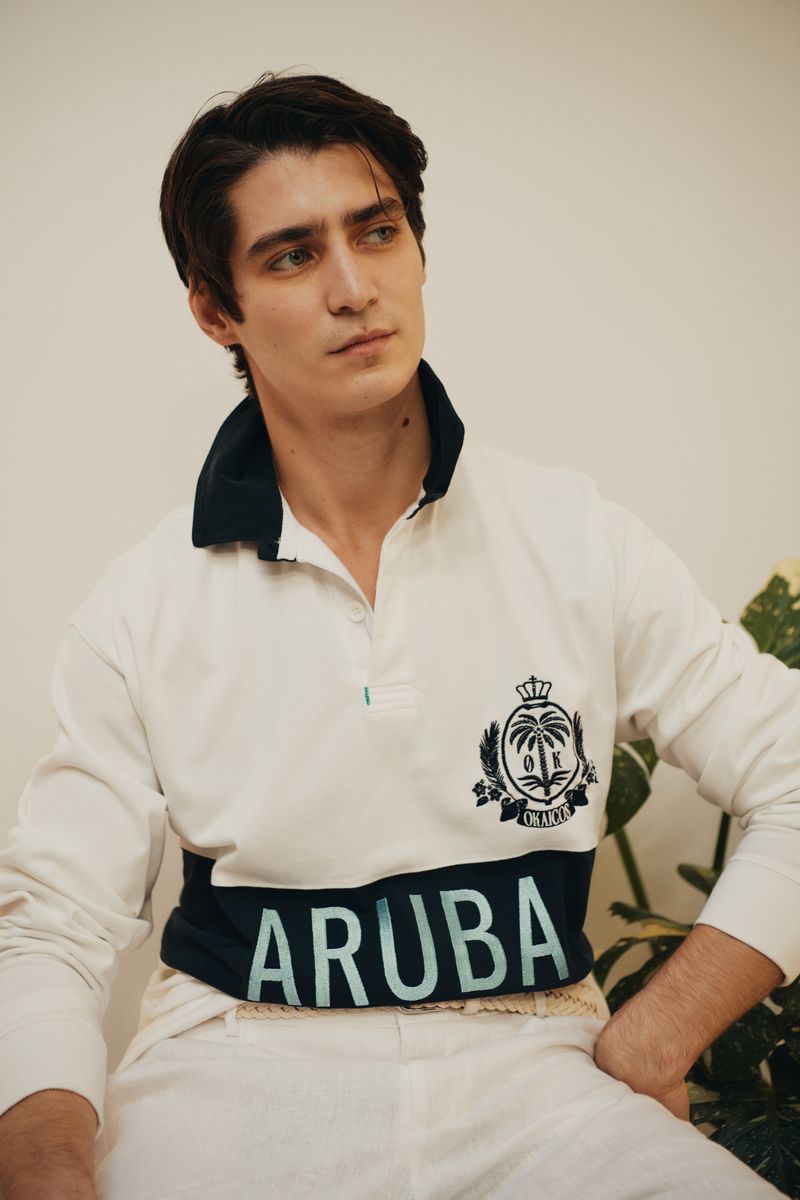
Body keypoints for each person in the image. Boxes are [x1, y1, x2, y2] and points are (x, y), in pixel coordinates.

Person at [0, 70, 797, 1200]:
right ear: (215, 310)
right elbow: (52, 926)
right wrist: (41, 1160)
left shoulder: (575, 537)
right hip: (233, 1071)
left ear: (417, 249)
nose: (352, 288)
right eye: (291, 255)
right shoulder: (143, 602)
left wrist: (660, 1031)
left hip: (539, 1069)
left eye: (375, 233)